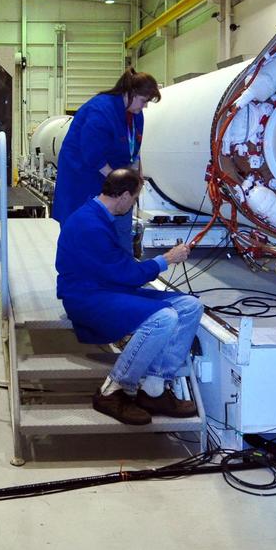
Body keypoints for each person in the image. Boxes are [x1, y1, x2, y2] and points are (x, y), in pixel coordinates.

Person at [55, 168, 202, 425]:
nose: (133, 205)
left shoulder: (99, 216)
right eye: (134, 199)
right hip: (87, 297)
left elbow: (118, 270)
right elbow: (126, 274)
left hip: (108, 287)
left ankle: (154, 390)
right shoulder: (90, 225)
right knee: (163, 318)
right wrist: (166, 259)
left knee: (190, 306)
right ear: (123, 195)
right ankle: (112, 390)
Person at [51, 69, 162, 242]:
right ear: (130, 93)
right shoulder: (101, 110)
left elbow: (134, 150)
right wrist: (120, 185)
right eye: (143, 100)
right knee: (83, 235)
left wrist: (134, 178)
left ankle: (121, 264)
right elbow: (92, 155)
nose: (145, 106)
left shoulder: (136, 115)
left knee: (119, 232)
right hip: (83, 179)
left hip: (113, 179)